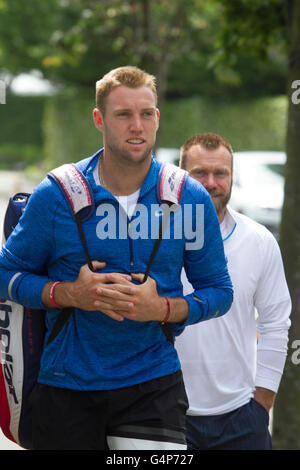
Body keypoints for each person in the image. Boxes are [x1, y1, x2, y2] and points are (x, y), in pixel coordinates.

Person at [0, 69, 233, 450]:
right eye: (123, 114)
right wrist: (67, 294)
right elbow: (5, 273)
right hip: (66, 383)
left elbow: (220, 291)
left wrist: (163, 307)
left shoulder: (189, 197)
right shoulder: (57, 193)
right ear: (99, 119)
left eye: (146, 114)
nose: (136, 126)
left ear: (158, 118)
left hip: (153, 384)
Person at [175, 132, 291, 450]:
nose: (211, 182)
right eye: (200, 173)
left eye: (220, 173)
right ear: (181, 177)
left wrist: (261, 404)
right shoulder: (155, 239)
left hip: (241, 419)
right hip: (167, 416)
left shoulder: (259, 241)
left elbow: (275, 324)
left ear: (231, 178)